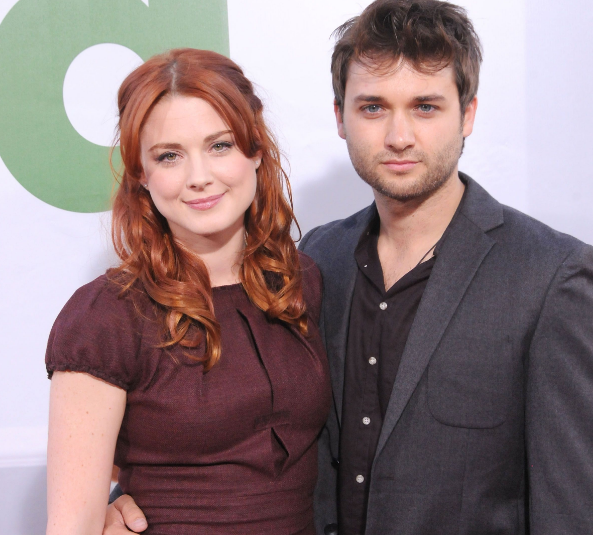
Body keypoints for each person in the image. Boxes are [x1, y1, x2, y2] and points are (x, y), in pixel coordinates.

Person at [103, 1, 593, 534]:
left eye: (425, 107)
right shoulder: (314, 261)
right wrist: (122, 499)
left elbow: (570, 506)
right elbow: (247, 423)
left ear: (468, 113)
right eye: (373, 108)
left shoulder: (549, 276)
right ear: (340, 117)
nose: (399, 136)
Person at [45, 48, 331, 535]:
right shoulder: (107, 317)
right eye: (169, 156)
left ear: (255, 149)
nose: (199, 177)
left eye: (219, 145)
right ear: (141, 173)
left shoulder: (299, 282)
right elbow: (72, 525)